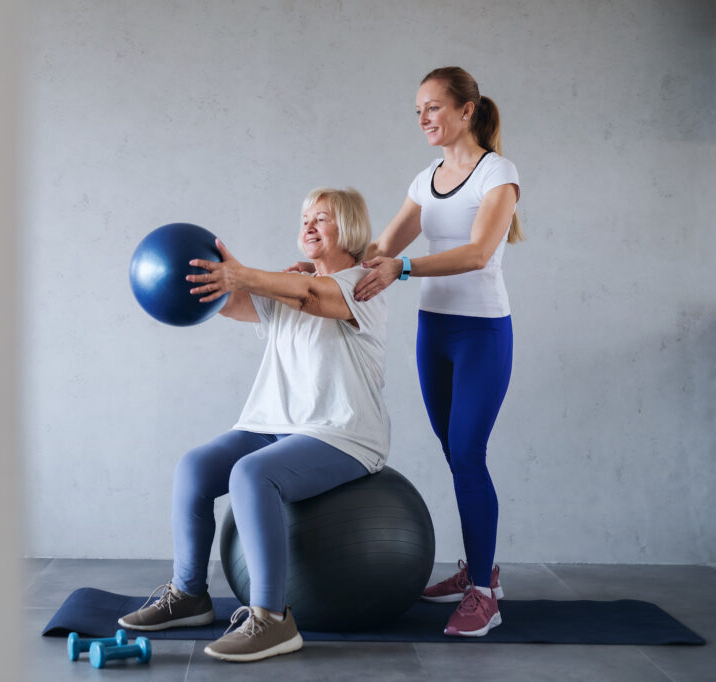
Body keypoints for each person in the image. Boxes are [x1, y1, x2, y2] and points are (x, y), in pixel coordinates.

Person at [119, 188, 390, 662]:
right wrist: (201, 278)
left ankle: (271, 619)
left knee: (251, 474)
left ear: (348, 229)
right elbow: (228, 302)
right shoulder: (287, 285)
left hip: (342, 433)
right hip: (274, 423)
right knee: (195, 467)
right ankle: (189, 596)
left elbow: (310, 295)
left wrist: (244, 273)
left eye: (321, 218)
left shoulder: (361, 285)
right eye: (304, 217)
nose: (307, 225)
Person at [352, 66, 521, 637]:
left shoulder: (498, 174)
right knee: (456, 456)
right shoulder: (426, 178)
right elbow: (382, 246)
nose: (423, 119)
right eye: (417, 111)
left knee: (469, 455)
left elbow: (476, 254)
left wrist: (403, 269)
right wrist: (330, 265)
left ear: (466, 111)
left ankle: (483, 597)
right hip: (436, 331)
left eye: (433, 108)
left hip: (481, 333)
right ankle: (481, 569)